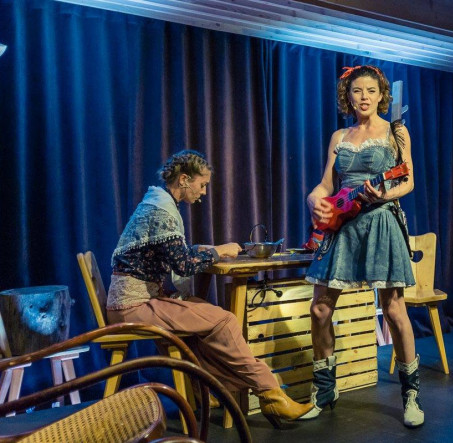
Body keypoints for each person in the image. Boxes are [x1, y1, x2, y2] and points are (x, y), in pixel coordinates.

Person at [106, 150, 313, 428]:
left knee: (202, 314)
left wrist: (210, 250)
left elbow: (173, 254)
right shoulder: (161, 211)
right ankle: (270, 392)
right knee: (223, 320)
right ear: (183, 179)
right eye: (201, 185)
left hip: (133, 303)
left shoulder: (157, 203)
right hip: (134, 307)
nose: (203, 192)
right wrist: (218, 252)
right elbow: (183, 265)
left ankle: (209, 389)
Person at [302, 65, 423, 428]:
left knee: (394, 310)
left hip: (381, 219)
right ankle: (325, 389)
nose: (364, 96)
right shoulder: (339, 136)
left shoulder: (396, 131)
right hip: (343, 225)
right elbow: (326, 184)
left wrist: (384, 194)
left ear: (382, 95)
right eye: (357, 91)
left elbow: (408, 181)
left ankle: (411, 395)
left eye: (371, 90)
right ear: (349, 96)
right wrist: (314, 199)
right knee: (319, 310)